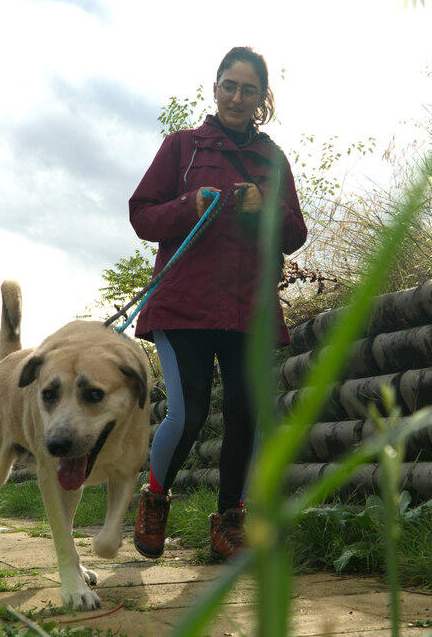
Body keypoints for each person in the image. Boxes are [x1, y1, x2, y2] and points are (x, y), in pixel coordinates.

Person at [128, 46, 307, 560]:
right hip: (184, 302)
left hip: (248, 307)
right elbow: (142, 216)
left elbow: (294, 233)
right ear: (215, 87)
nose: (236, 96)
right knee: (186, 412)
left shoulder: (273, 160)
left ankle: (231, 519)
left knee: (247, 414)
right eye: (229, 85)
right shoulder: (182, 148)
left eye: (248, 89)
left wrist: (263, 207)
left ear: (261, 99)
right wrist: (190, 204)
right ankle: (155, 498)